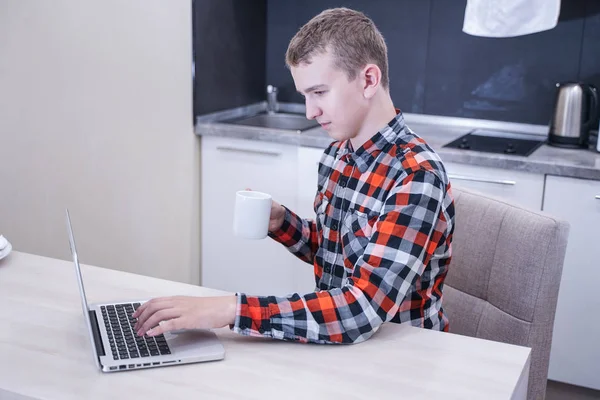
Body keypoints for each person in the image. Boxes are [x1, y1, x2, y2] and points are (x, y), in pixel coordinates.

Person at [133, 7, 455, 344]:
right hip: (343, 345)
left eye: (319, 93)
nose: (310, 112)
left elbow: (360, 309)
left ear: (368, 80)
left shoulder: (416, 176)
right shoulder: (337, 155)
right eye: (305, 96)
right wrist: (282, 223)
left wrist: (230, 309)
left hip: (404, 356)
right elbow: (338, 253)